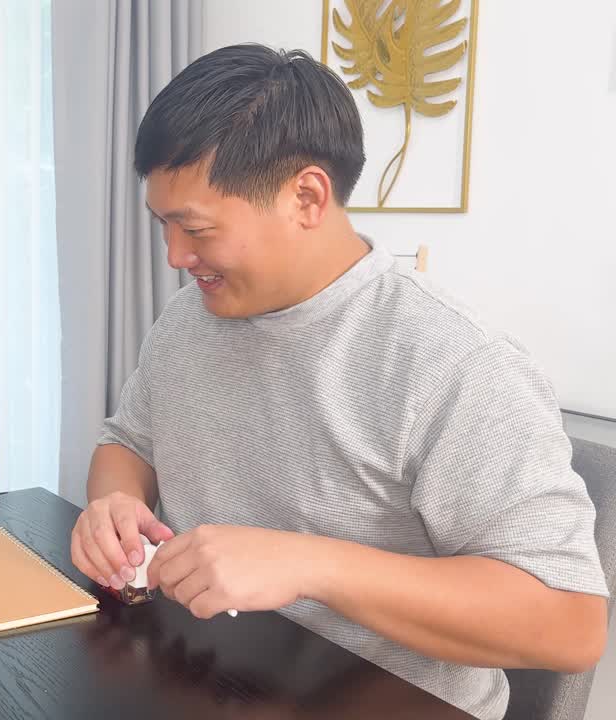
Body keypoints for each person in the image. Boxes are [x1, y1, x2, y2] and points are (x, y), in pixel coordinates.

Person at [69, 44, 607, 720]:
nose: (176, 257)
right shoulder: (189, 321)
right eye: (164, 227)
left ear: (306, 196)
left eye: (196, 229)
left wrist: (309, 565)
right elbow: (129, 442)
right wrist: (114, 505)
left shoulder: (453, 361)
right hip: (212, 679)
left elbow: (572, 624)